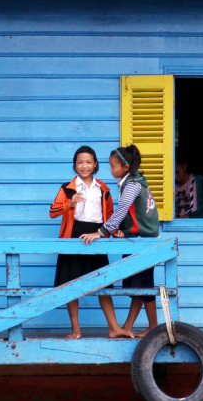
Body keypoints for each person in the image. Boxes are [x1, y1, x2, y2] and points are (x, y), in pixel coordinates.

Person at [80, 145, 160, 338]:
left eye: (113, 166)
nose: (110, 170)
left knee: (141, 285)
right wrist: (123, 231)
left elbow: (122, 210)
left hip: (143, 241)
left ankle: (136, 327)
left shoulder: (132, 184)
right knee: (142, 285)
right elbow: (134, 215)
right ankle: (139, 327)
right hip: (139, 238)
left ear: (125, 167)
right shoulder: (133, 181)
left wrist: (101, 232)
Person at [49, 146, 114, 339]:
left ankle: (113, 327)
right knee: (71, 284)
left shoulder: (103, 189)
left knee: (103, 283)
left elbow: (109, 216)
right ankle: (76, 329)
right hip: (73, 235)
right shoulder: (67, 188)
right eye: (80, 162)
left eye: (88, 162)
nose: (84, 166)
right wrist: (69, 203)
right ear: (75, 165)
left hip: (96, 235)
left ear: (95, 165)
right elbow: (52, 212)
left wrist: (105, 233)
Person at [175, 154, 203, 218]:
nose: (175, 176)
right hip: (175, 225)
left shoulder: (199, 181)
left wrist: (189, 216)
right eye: (172, 173)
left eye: (177, 172)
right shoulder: (171, 185)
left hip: (197, 225)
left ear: (184, 166)